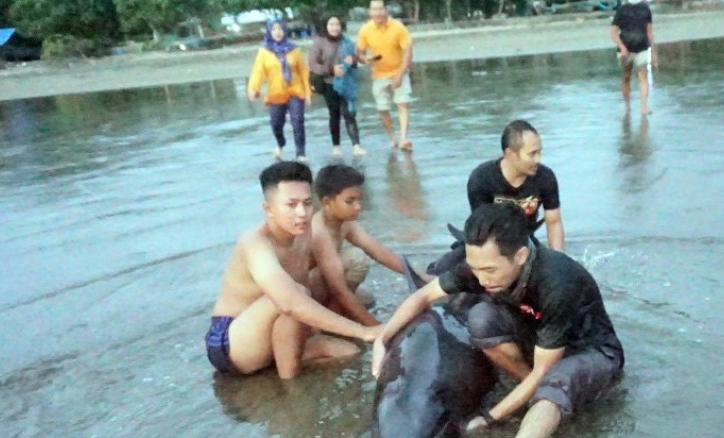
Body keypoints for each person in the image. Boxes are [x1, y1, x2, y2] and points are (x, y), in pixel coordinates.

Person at [371, 203, 624, 438]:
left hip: (589, 350)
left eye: (490, 270)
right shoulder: (483, 268)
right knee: (481, 318)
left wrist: (490, 417)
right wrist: (382, 340)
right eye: (475, 269)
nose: (482, 279)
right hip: (539, 339)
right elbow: (422, 297)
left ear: (520, 256)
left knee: (554, 385)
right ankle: (532, 401)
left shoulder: (558, 283)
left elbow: (543, 371)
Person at [205, 161, 380, 380]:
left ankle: (278, 369)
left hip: (276, 328)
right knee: (294, 294)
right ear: (269, 209)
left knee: (349, 349)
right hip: (233, 342)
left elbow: (310, 285)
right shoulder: (255, 243)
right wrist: (363, 331)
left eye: (307, 203)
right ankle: (291, 386)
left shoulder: (304, 231)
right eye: (291, 205)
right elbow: (289, 302)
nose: (302, 213)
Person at [426, 120, 565, 276]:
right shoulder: (482, 178)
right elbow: (482, 227)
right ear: (511, 154)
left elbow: (554, 222)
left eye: (539, 152)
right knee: (446, 269)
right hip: (486, 241)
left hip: (524, 241)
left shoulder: (545, 177)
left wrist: (558, 261)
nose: (538, 159)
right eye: (532, 154)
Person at [309, 164, 419, 326]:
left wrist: (420, 277)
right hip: (308, 291)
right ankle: (331, 318)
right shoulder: (319, 231)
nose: (358, 207)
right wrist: (377, 328)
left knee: (367, 299)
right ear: (327, 202)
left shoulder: (344, 222)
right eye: (350, 201)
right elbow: (338, 289)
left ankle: (337, 313)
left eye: (358, 199)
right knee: (357, 258)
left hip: (326, 283)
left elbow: (378, 252)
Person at [248, 19, 312, 161]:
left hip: (295, 90)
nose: (278, 32)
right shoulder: (264, 51)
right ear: (269, 31)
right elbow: (258, 72)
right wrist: (254, 88)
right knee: (276, 124)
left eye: (281, 29)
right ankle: (281, 143)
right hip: (276, 92)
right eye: (274, 29)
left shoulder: (294, 49)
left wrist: (307, 92)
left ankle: (300, 153)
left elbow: (303, 71)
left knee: (298, 121)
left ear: (285, 31)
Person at [356, 0, 414, 150]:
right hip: (379, 73)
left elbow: (408, 51)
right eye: (374, 9)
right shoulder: (365, 29)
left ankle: (403, 138)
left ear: (386, 10)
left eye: (380, 9)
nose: (378, 13)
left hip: (399, 70)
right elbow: (360, 53)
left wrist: (401, 74)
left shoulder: (398, 27)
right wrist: (365, 59)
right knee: (382, 108)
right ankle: (393, 138)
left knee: (403, 104)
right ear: (370, 12)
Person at [309, 15, 367, 157]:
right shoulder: (319, 42)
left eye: (337, 24)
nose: (335, 27)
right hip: (329, 83)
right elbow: (313, 64)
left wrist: (352, 60)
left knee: (349, 114)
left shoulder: (347, 41)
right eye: (331, 24)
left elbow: (354, 61)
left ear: (341, 26)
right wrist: (331, 70)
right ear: (326, 26)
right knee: (334, 114)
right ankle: (336, 146)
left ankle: (356, 146)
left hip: (347, 83)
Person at [610, 0, 659, 114]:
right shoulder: (622, 10)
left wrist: (654, 53)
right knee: (626, 78)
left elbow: (649, 32)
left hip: (642, 48)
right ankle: (627, 105)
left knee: (643, 77)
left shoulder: (645, 9)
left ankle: (644, 106)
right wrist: (622, 47)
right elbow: (613, 32)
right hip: (625, 50)